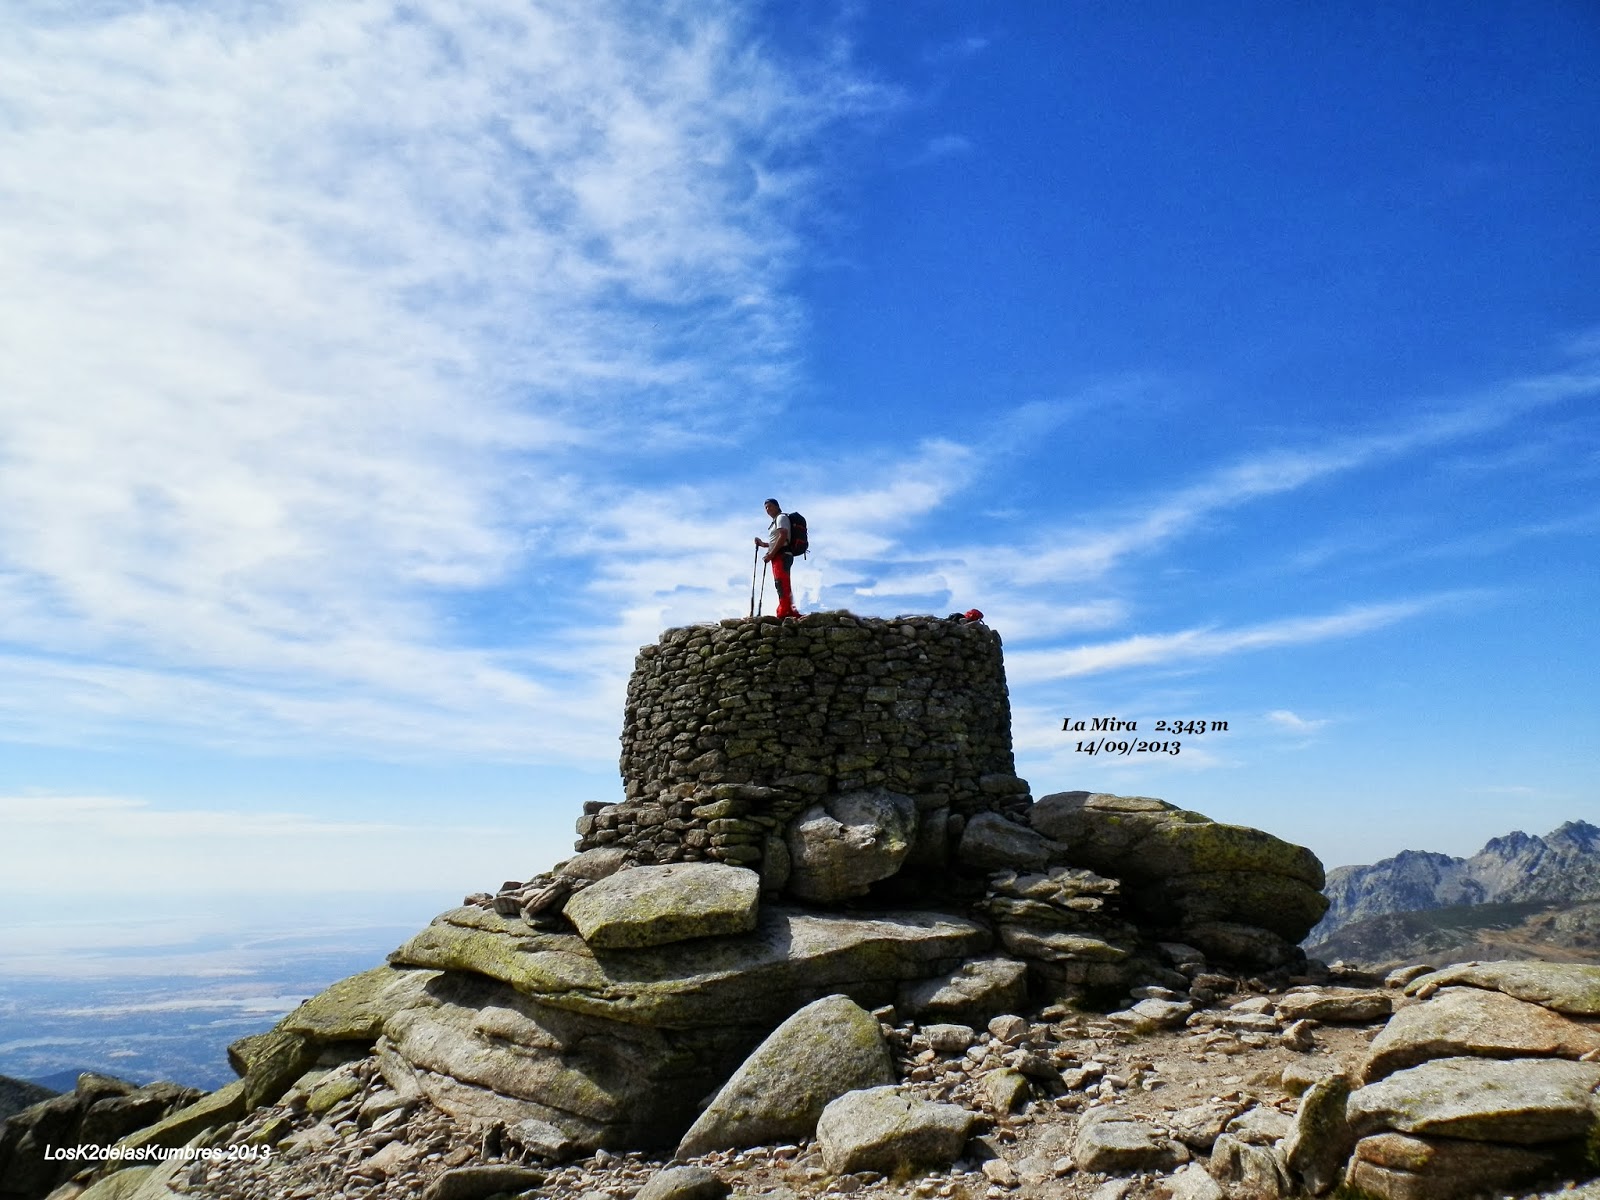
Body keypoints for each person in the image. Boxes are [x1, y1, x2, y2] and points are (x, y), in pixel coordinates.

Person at [754, 498, 801, 618]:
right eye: (765, 508)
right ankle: (787, 609)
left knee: (781, 583)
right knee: (781, 583)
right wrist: (763, 544)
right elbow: (776, 540)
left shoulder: (781, 518)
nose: (767, 509)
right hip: (779, 555)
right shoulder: (776, 520)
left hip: (782, 555)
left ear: (776, 506)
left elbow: (783, 536)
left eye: (769, 506)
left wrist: (771, 554)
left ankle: (785, 611)